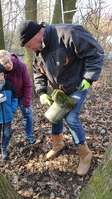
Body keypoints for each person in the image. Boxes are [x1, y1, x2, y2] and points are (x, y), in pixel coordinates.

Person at [17, 20, 104, 176]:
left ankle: (85, 154)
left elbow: (96, 54)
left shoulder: (68, 33)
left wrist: (88, 78)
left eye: (30, 45)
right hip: (59, 89)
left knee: (71, 119)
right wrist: (42, 92)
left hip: (79, 84)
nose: (30, 50)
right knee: (54, 115)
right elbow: (38, 71)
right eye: (27, 48)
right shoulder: (38, 49)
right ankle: (58, 144)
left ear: (37, 33)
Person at [0, 50, 36, 144]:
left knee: (28, 112)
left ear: (10, 57)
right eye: (5, 64)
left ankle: (28, 135)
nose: (9, 65)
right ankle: (5, 137)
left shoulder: (21, 67)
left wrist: (26, 103)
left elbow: (28, 85)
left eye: (9, 61)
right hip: (8, 97)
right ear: (0, 65)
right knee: (6, 116)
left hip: (21, 95)